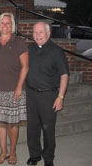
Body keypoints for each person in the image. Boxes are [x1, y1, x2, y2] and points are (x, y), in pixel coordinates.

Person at [26, 22, 69, 166]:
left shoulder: (56, 51)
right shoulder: (29, 48)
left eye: (41, 32)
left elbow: (64, 75)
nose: (37, 35)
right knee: (32, 128)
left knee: (48, 129)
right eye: (35, 32)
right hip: (31, 94)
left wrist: (60, 97)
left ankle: (48, 158)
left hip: (48, 96)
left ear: (48, 33)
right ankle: (34, 155)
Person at [0, 13, 29, 164]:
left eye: (8, 23)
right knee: (0, 123)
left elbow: (25, 66)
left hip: (14, 90)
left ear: (12, 25)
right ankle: (3, 151)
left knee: (12, 124)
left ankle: (12, 152)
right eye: (2, 23)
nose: (5, 26)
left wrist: (19, 87)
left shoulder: (18, 42)